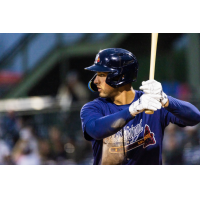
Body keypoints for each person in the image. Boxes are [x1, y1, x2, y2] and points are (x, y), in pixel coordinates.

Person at [80, 48, 200, 165]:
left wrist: (165, 99)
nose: (95, 80)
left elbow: (195, 116)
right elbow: (95, 129)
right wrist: (132, 110)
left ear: (120, 76)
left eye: (101, 74)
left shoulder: (151, 101)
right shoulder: (93, 108)